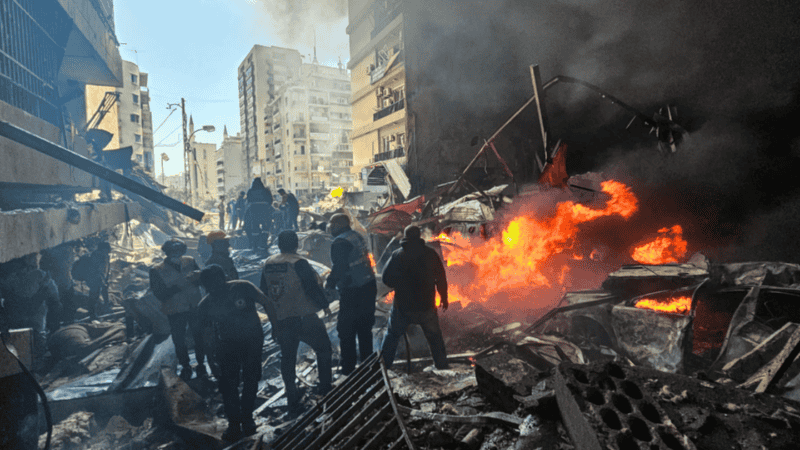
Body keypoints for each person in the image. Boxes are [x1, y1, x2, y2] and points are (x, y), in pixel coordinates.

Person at [198, 265, 275, 441]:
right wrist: (210, 360)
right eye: (210, 286)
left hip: (252, 342)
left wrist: (276, 328)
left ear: (223, 279)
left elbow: (267, 302)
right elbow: (207, 335)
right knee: (228, 387)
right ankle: (234, 424)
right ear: (206, 287)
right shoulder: (205, 305)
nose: (214, 288)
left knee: (251, 379)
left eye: (217, 283)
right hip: (226, 347)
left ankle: (247, 419)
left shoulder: (243, 286)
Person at [261, 231, 332, 412]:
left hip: (283, 319)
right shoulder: (299, 262)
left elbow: (264, 291)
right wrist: (324, 305)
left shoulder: (269, 263)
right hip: (304, 316)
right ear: (296, 244)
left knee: (288, 357)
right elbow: (311, 287)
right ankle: (325, 389)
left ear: (278, 244)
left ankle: (291, 396)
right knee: (324, 350)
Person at [380, 226, 450, 370]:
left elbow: (386, 278)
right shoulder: (431, 254)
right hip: (426, 305)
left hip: (403, 307)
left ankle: (383, 368)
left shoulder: (397, 255)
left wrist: (398, 284)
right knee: (435, 338)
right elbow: (441, 277)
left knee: (392, 336)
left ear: (405, 237)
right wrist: (443, 296)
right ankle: (442, 366)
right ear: (419, 236)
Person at [325, 214, 377, 375]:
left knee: (346, 329)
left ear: (339, 224)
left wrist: (330, 284)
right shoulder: (356, 235)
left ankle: (348, 368)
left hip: (353, 290)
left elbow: (339, 268)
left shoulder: (340, 242)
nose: (330, 227)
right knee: (364, 328)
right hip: (368, 285)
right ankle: (368, 364)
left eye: (332, 223)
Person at [149, 239, 207, 380]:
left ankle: (201, 362)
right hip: (175, 309)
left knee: (198, 335)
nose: (176, 253)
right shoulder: (157, 270)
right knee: (179, 339)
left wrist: (197, 278)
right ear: (167, 252)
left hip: (194, 305)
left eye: (179, 250)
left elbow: (202, 279)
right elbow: (159, 294)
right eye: (173, 251)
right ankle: (185, 364)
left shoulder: (190, 261)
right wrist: (177, 287)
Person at [71, 241, 111, 319]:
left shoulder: (99, 254)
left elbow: (104, 269)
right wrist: (102, 279)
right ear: (105, 248)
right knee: (94, 296)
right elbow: (99, 269)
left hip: (96, 279)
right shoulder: (99, 255)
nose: (110, 249)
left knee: (96, 295)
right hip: (95, 279)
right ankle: (93, 314)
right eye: (108, 247)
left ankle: (100, 310)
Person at [244, 178, 274, 250]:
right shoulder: (266, 190)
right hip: (265, 209)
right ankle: (264, 243)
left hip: (254, 210)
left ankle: (255, 244)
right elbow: (270, 200)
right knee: (265, 227)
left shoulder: (250, 191)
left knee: (255, 227)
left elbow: (248, 200)